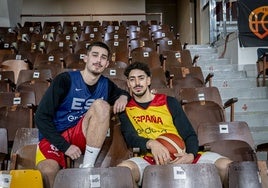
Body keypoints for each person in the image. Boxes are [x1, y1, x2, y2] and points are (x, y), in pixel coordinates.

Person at [117, 62, 232, 187]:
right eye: (132, 80)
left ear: (149, 80)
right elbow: (130, 137)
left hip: (181, 154)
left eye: (141, 78)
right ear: (128, 83)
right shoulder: (126, 109)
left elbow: (189, 134)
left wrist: (190, 155)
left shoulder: (168, 102)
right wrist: (151, 143)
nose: (137, 83)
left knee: (226, 166)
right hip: (151, 157)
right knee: (123, 171)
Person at [35, 41, 129, 188]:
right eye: (95, 55)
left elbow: (122, 93)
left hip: (81, 134)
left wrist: (123, 97)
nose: (98, 60)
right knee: (47, 170)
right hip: (56, 136)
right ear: (86, 58)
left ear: (107, 64)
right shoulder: (64, 80)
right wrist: (65, 146)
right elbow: (40, 117)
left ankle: (87, 168)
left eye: (103, 57)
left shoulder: (106, 85)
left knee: (101, 105)